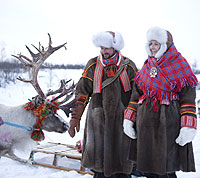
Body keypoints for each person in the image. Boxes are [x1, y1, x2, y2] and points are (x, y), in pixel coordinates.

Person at [123, 26, 198, 178]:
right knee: (148, 167)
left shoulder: (180, 64)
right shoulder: (146, 66)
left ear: (166, 45)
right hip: (145, 125)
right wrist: (129, 118)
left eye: (156, 44)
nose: (152, 47)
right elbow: (136, 94)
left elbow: (188, 98)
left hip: (168, 124)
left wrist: (187, 126)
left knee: (166, 168)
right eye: (150, 44)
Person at [68, 31, 138, 178]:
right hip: (97, 121)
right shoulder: (93, 64)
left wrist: (135, 119)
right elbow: (82, 92)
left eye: (106, 48)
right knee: (99, 168)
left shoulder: (129, 66)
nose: (103, 51)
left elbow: (137, 94)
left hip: (122, 121)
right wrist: (76, 117)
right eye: (101, 48)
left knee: (122, 166)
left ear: (115, 47)